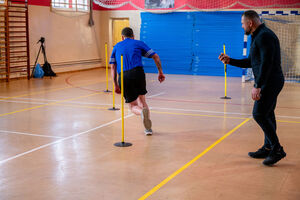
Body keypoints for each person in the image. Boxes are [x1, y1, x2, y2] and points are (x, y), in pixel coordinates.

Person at [218, 10, 286, 166]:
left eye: (242, 24)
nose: (242, 27)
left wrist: (258, 86)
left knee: (259, 114)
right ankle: (268, 147)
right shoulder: (258, 35)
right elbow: (252, 61)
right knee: (267, 114)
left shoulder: (264, 36)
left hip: (271, 81)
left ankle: (277, 149)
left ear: (250, 23)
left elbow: (266, 64)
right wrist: (230, 61)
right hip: (270, 80)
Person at [110, 27, 165, 136]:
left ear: (122, 37)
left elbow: (113, 67)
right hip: (138, 73)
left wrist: (116, 84)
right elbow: (155, 56)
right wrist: (160, 72)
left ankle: (140, 113)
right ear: (133, 36)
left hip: (124, 75)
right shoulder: (138, 43)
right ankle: (148, 129)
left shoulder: (116, 47)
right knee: (142, 100)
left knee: (133, 105)